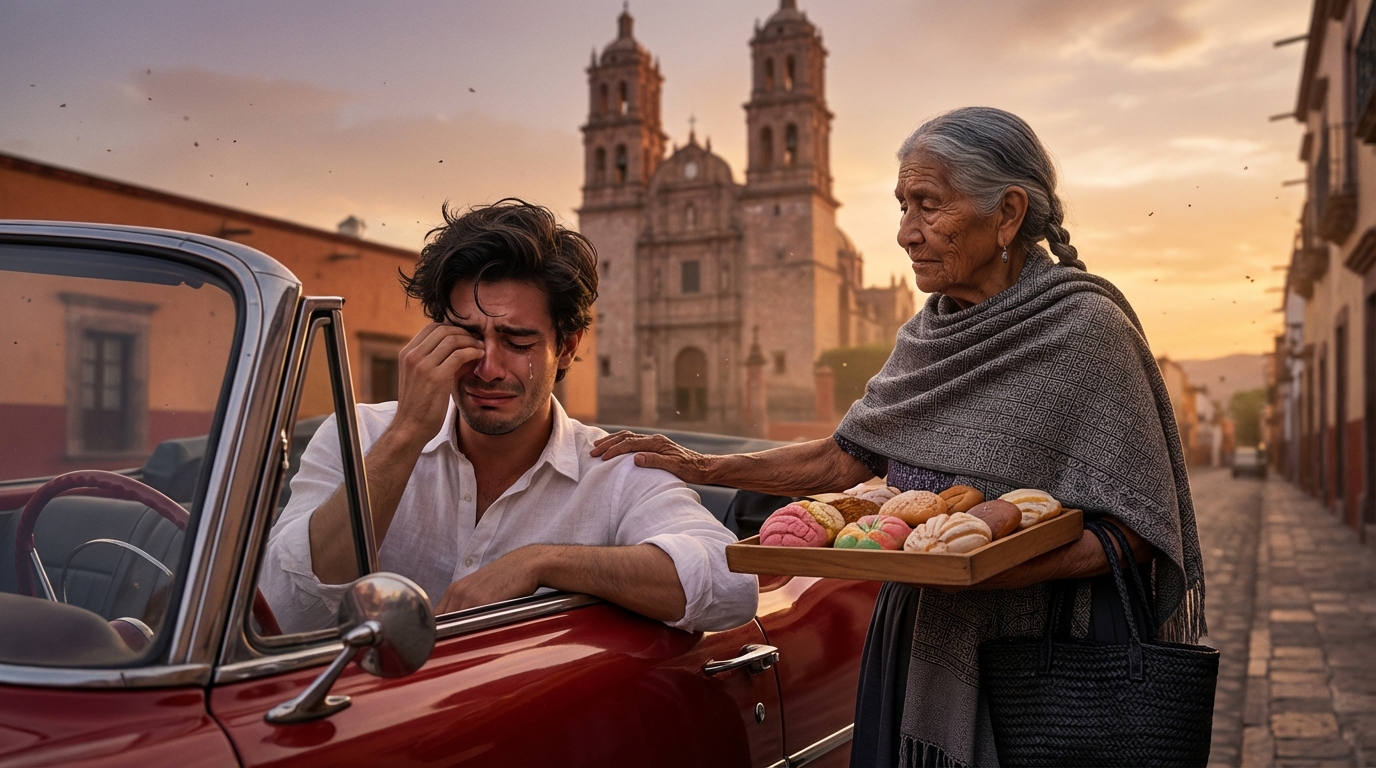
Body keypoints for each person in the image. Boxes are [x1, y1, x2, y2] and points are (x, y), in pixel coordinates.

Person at [593, 107, 1205, 767]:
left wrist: (994, 570)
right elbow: (843, 459)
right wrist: (699, 466)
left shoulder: (1087, 331)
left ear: (1007, 214)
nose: (906, 232)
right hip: (921, 645)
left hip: (1056, 661)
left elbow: (1141, 523)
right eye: (903, 205)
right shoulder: (925, 336)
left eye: (927, 205)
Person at [260, 199, 757, 635]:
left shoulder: (615, 470)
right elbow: (281, 608)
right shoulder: (358, 436)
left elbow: (731, 584)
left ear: (567, 347)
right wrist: (407, 435)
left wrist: (543, 561)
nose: (488, 368)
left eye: (518, 343)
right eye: (468, 338)